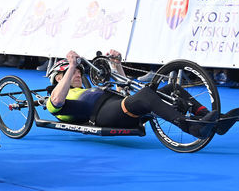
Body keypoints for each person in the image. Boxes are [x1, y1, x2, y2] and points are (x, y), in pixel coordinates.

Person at [46, 50, 237, 138]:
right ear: (58, 78)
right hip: (102, 115)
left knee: (172, 88)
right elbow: (57, 100)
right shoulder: (54, 98)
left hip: (118, 105)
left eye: (79, 71)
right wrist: (71, 65)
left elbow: (124, 88)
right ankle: (191, 128)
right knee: (146, 94)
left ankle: (213, 122)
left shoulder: (87, 90)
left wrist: (117, 65)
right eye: (71, 73)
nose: (77, 73)